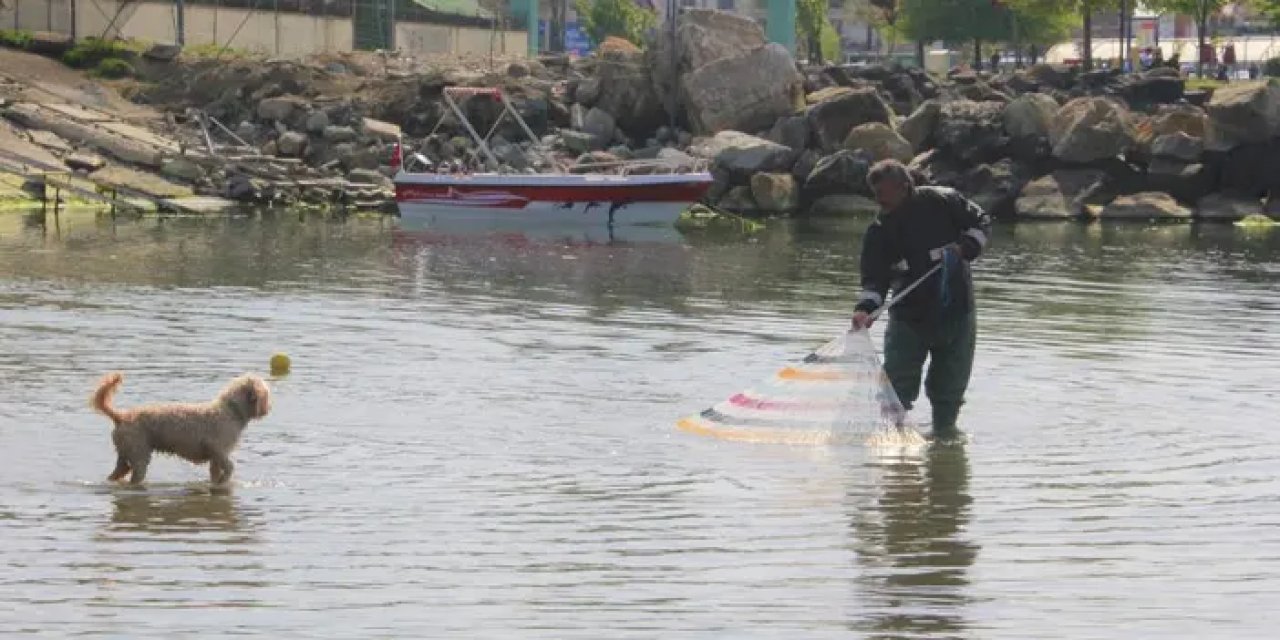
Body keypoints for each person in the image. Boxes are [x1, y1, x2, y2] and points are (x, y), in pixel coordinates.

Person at [851, 160, 992, 442]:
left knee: (949, 388)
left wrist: (967, 247)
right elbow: (874, 280)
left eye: (885, 195)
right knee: (896, 387)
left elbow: (982, 222)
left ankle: (945, 437)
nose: (881, 202)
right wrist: (865, 309)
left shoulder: (943, 201)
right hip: (909, 318)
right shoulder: (879, 231)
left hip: (957, 311)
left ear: (905, 187)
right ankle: (893, 442)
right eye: (876, 195)